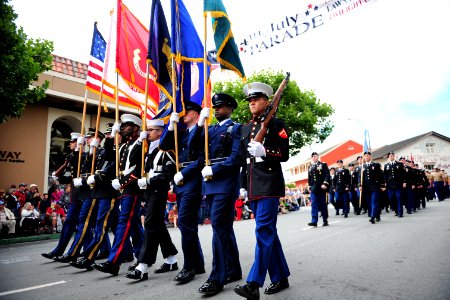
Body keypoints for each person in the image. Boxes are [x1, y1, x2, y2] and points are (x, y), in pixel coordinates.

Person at [234, 82, 290, 299]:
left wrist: (265, 150)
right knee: (269, 233)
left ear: (268, 102)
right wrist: (241, 186)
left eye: (256, 99)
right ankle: (280, 276)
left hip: (269, 184)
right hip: (253, 186)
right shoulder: (246, 129)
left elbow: (284, 154)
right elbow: (243, 161)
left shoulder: (277, 124)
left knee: (263, 231)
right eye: (249, 100)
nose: (252, 103)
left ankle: (253, 283)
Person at [192, 93, 243, 296]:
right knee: (224, 228)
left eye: (220, 106)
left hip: (225, 183)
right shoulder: (210, 128)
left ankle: (216, 278)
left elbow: (236, 157)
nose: (216, 109)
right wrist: (199, 123)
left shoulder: (236, 128)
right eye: (215, 107)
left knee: (218, 228)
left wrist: (216, 169)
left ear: (230, 109)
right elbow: (193, 145)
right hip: (211, 184)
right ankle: (233, 270)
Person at [125, 119, 179, 281]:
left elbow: (169, 174)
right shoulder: (148, 149)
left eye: (151, 130)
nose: (147, 132)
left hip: (158, 191)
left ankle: (143, 265)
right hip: (148, 192)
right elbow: (132, 160)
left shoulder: (166, 150)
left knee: (149, 224)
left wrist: (149, 181)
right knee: (158, 225)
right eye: (147, 130)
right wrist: (139, 142)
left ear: (160, 132)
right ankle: (171, 259)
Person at [159, 101, 205, 283]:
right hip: (181, 183)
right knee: (189, 225)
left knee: (185, 223)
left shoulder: (202, 131)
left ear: (196, 113)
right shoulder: (182, 133)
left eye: (187, 111)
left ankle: (189, 267)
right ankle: (198, 264)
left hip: (192, 181)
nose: (184, 114)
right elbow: (163, 144)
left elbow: (202, 158)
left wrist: (183, 173)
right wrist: (171, 126)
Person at [94, 114, 145, 276]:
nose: (122, 127)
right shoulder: (124, 146)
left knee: (124, 223)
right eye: (121, 125)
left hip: (132, 189)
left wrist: (122, 182)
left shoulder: (140, 144)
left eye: (126, 125)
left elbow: (139, 170)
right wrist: (110, 138)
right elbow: (109, 157)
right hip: (124, 189)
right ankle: (142, 257)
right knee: (134, 224)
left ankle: (113, 262)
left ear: (135, 128)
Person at [41, 132, 86, 260]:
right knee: (69, 223)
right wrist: (59, 175)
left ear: (79, 143)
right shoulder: (71, 157)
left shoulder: (85, 156)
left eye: (73, 142)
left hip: (84, 195)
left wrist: (74, 156)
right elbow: (68, 178)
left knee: (86, 225)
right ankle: (58, 250)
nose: (70, 144)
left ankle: (86, 251)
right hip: (75, 196)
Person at [360, 151, 386, 224]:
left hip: (375, 186)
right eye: (365, 156)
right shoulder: (362, 166)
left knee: (374, 201)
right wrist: (360, 185)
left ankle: (372, 217)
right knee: (370, 203)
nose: (366, 157)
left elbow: (381, 175)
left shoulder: (376, 165)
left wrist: (382, 185)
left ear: (370, 157)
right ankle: (377, 215)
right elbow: (361, 178)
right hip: (366, 188)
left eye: (368, 155)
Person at [308, 152, 331, 227]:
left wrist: (325, 183)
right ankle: (314, 221)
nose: (314, 158)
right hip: (314, 189)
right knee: (314, 204)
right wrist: (309, 186)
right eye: (313, 157)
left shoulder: (323, 165)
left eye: (315, 156)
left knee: (323, 204)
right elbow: (310, 178)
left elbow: (327, 175)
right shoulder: (310, 167)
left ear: (318, 157)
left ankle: (325, 220)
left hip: (322, 188)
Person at [383, 152, 406, 217]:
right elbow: (385, 175)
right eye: (390, 156)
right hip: (390, 185)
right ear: (388, 157)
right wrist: (385, 183)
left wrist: (404, 182)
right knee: (391, 198)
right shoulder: (386, 165)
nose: (391, 157)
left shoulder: (399, 164)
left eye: (392, 155)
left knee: (399, 197)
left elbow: (403, 173)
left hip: (398, 183)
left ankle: (400, 212)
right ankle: (396, 210)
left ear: (394, 156)